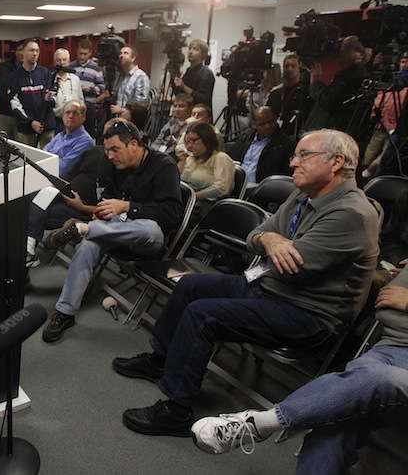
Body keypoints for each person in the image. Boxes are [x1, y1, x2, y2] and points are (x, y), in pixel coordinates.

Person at [113, 129, 379, 438]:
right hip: (270, 289)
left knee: (204, 314)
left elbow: (292, 267)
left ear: (336, 162)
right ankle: (160, 359)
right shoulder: (304, 192)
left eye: (304, 155)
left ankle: (177, 409)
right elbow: (258, 235)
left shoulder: (352, 214)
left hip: (308, 315)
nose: (293, 163)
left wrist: (271, 242)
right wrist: (270, 238)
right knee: (189, 286)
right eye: (295, 155)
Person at [191, 266, 408, 475]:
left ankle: (261, 424)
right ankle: (260, 425)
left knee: (379, 378)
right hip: (392, 345)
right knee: (337, 424)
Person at [41, 121, 183, 342]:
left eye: (115, 149)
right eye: (107, 150)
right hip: (113, 227)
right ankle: (65, 312)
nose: (110, 155)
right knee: (89, 244)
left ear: (134, 144)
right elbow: (105, 201)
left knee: (149, 229)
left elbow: (173, 214)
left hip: (145, 236)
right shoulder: (112, 166)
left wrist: (128, 206)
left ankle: (85, 229)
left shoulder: (164, 165)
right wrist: (103, 211)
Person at [26, 119, 116, 268]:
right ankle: (27, 249)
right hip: (65, 194)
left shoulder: (120, 166)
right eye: (107, 134)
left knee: (37, 211)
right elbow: (70, 174)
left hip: (84, 208)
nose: (108, 139)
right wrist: (57, 186)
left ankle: (27, 249)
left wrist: (81, 206)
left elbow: (109, 209)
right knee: (31, 195)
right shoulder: (94, 151)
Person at [303, 36, 370, 135]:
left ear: (361, 54)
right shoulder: (346, 74)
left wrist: (316, 82)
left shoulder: (356, 76)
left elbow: (329, 100)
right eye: (342, 47)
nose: (341, 50)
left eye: (348, 48)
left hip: (329, 133)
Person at [362, 50, 408, 177]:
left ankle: (367, 175)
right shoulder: (391, 80)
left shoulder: (403, 84)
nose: (404, 65)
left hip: (394, 130)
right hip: (378, 125)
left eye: (407, 62)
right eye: (403, 61)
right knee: (367, 156)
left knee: (385, 159)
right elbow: (378, 98)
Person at [176, 122, 235, 215]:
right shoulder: (190, 158)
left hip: (205, 205)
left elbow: (221, 189)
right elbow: (177, 180)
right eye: (187, 141)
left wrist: (193, 197)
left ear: (207, 140)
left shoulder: (220, 158)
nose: (189, 146)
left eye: (194, 141)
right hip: (184, 200)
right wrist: (182, 161)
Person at [227, 106, 296, 185]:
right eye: (262, 124)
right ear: (254, 124)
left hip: (264, 189)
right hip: (237, 185)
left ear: (275, 119)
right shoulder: (244, 138)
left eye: (271, 122)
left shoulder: (287, 144)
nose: (267, 127)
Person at [8, 38, 56, 148]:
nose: (35, 54)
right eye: (31, 50)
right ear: (23, 53)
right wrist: (31, 122)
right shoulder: (14, 77)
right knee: (28, 160)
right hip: (26, 129)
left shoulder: (46, 73)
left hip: (46, 127)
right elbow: (15, 106)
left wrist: (51, 99)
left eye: (37, 51)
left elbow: (55, 100)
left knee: (48, 159)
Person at [266, 53, 312, 137]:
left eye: (293, 66)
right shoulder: (276, 92)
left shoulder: (305, 93)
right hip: (275, 133)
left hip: (296, 134)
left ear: (299, 69)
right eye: (287, 66)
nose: (290, 69)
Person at [44, 100, 94, 176]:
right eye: (67, 112)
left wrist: (46, 162)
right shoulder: (60, 135)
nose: (70, 116)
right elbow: (43, 155)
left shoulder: (85, 141)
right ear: (63, 116)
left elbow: (62, 169)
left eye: (75, 113)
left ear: (83, 117)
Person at [0, 42, 23, 140]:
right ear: (15, 52)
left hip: (21, 117)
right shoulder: (4, 66)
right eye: (20, 50)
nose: (22, 53)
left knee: (20, 146)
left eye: (25, 50)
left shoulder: (33, 71)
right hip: (3, 113)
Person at [70, 39, 105, 137]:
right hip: (74, 106)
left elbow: (102, 87)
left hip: (89, 106)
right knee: (73, 133)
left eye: (85, 54)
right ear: (77, 51)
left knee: (88, 134)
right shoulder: (71, 66)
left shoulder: (96, 67)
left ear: (90, 53)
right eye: (80, 53)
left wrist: (91, 90)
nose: (82, 56)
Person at [108, 45, 151, 117]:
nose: (121, 56)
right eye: (120, 53)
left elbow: (140, 105)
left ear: (133, 58)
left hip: (132, 120)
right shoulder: (120, 76)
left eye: (125, 53)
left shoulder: (140, 77)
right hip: (118, 118)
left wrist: (121, 110)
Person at [173, 39, 216, 111]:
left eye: (195, 49)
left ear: (203, 54)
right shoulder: (188, 71)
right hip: (186, 114)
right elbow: (179, 94)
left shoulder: (206, 73)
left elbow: (204, 99)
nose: (190, 52)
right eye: (190, 48)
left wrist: (184, 87)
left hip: (199, 116)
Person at [51, 48, 84, 133]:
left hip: (75, 121)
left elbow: (81, 100)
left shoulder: (75, 79)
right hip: (57, 122)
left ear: (68, 62)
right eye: (59, 60)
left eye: (64, 60)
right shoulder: (50, 79)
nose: (62, 63)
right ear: (54, 63)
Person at [151, 93, 193, 158]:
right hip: (160, 155)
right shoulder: (171, 123)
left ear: (190, 108)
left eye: (181, 106)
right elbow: (156, 143)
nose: (177, 109)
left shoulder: (191, 128)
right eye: (175, 106)